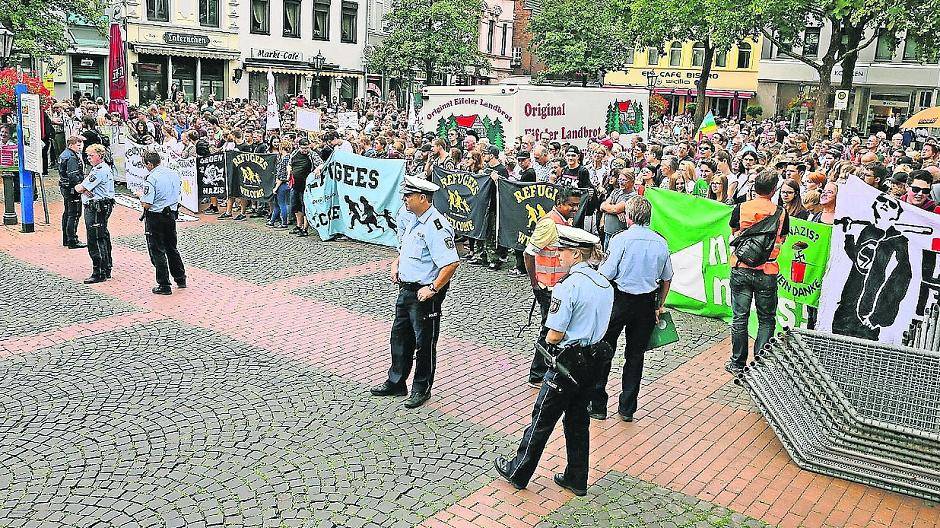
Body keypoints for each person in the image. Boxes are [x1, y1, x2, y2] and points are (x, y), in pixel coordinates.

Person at [494, 225, 613, 496]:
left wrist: (549, 339)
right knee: (578, 421)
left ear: (576, 254)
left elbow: (554, 334)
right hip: (594, 360)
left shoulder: (567, 286)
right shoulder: (605, 284)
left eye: (563, 251)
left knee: (542, 419)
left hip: (567, 362)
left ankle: (519, 470)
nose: (558, 255)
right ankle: (576, 477)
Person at [371, 176, 460, 409]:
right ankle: (396, 381)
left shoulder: (436, 225)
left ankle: (421, 388)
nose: (405, 200)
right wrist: (396, 264)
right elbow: (407, 250)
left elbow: (451, 263)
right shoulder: (414, 219)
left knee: (425, 343)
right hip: (406, 289)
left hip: (424, 294)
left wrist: (432, 289)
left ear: (423, 198)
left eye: (408, 196)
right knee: (400, 337)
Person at [593, 196, 673, 421]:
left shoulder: (621, 239)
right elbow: (667, 277)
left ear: (628, 217)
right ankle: (627, 408)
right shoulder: (660, 242)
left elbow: (606, 273)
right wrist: (659, 304)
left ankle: (598, 404)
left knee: (604, 349)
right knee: (635, 356)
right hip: (646, 302)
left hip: (620, 299)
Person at [727, 170, 789, 373]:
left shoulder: (741, 208)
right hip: (767, 270)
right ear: (774, 190)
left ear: (755, 188)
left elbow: (734, 233)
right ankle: (759, 365)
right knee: (766, 318)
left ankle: (737, 363)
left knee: (739, 316)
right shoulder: (781, 213)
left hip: (741, 267)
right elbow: (783, 239)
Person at [523, 187, 582, 386]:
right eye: (571, 205)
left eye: (577, 204)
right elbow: (529, 253)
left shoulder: (563, 221)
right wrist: (535, 285)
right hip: (547, 288)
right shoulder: (549, 224)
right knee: (549, 330)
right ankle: (537, 374)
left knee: (554, 328)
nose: (575, 208)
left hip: (557, 286)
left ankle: (546, 369)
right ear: (559, 202)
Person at [139, 151, 187, 295]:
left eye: (145, 165)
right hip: (171, 213)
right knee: (172, 247)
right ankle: (180, 278)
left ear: (150, 164)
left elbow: (147, 203)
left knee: (157, 250)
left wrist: (140, 197)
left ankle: (164, 284)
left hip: (156, 216)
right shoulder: (173, 173)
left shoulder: (151, 178)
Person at [74, 144, 116, 284]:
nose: (89, 158)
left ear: (100, 156)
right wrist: (84, 189)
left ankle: (99, 271)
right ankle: (106, 267)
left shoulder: (99, 170)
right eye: (88, 155)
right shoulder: (100, 169)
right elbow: (84, 188)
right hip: (100, 205)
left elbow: (80, 187)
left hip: (96, 207)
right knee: (102, 236)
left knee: (95, 238)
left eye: (91, 155)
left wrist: (82, 188)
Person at [58, 135, 86, 249]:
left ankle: (66, 238)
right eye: (78, 145)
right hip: (71, 189)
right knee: (74, 213)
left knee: (68, 212)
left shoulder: (65, 154)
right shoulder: (71, 157)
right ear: (71, 145)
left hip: (65, 187)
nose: (80, 147)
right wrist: (80, 186)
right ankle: (72, 240)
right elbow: (73, 175)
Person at [598, 169, 637, 249]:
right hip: (608, 232)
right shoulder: (616, 191)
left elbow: (615, 209)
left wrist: (613, 209)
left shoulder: (632, 196)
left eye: (624, 180)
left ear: (632, 181)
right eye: (619, 179)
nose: (620, 182)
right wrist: (616, 211)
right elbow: (602, 206)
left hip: (620, 235)